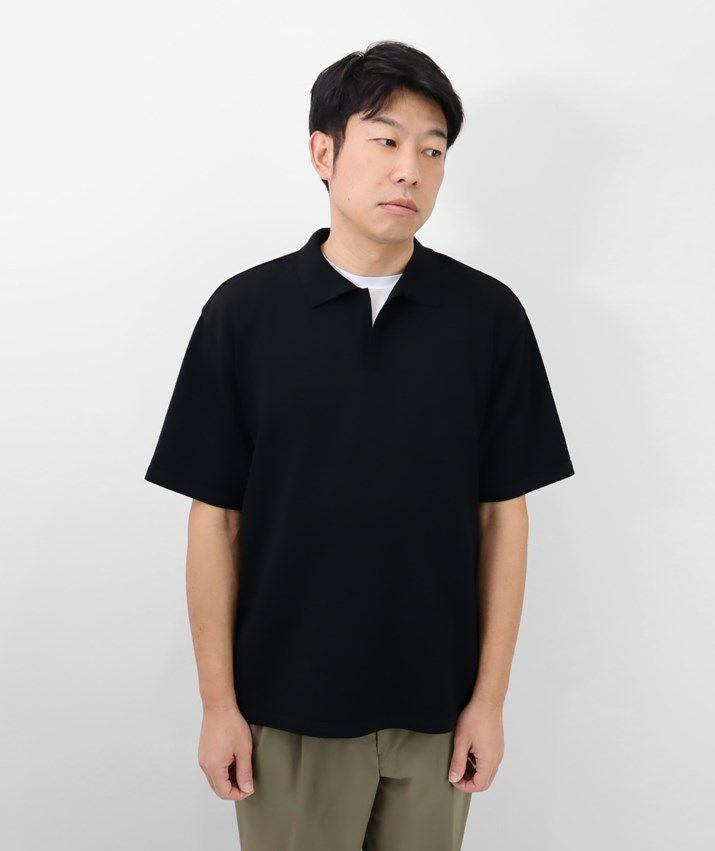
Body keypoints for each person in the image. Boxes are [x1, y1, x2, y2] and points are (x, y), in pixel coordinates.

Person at [144, 39, 575, 851]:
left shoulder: (487, 318)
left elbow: (502, 518)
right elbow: (215, 520)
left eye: (432, 150)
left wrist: (487, 701)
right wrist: (218, 705)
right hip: (286, 711)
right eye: (385, 141)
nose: (409, 169)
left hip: (437, 713)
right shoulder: (244, 314)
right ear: (323, 152)